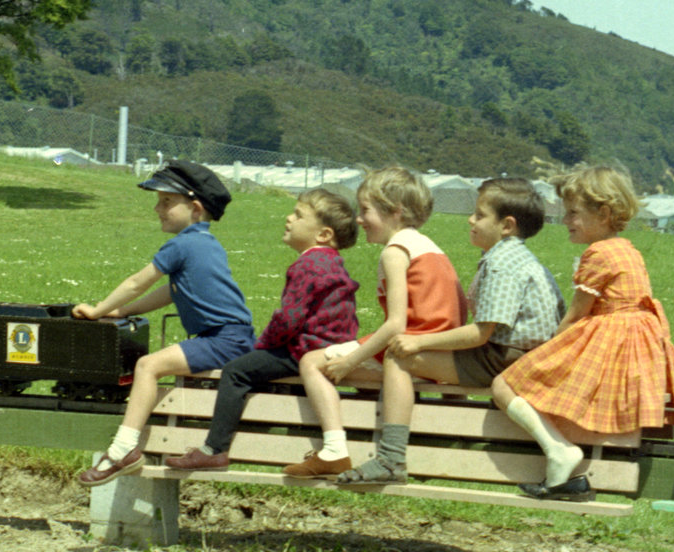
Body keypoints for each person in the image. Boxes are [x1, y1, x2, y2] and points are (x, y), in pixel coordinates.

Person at [492, 163, 674, 498]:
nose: (565, 220)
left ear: (603, 214)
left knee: (503, 385)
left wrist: (543, 354)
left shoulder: (598, 253)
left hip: (606, 343)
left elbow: (574, 318)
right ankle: (560, 467)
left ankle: (559, 450)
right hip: (633, 348)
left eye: (573, 213)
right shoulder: (627, 249)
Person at [71, 160, 254, 486]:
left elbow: (136, 283)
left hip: (222, 339)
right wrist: (122, 312)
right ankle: (124, 450)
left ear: (195, 209)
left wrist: (99, 310)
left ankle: (122, 451)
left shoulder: (182, 244)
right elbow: (171, 292)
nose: (158, 209)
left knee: (147, 366)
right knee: (151, 365)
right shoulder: (206, 243)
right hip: (232, 337)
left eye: (167, 202)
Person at [165, 189, 361, 475]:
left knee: (236, 371)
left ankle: (214, 450)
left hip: (304, 349)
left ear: (323, 234)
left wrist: (262, 345)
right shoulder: (332, 262)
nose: (289, 218)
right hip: (331, 347)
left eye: (299, 215)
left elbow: (288, 320)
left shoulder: (307, 264)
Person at [312, 166, 464, 487]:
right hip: (437, 351)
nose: (359, 219)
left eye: (365, 210)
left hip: (413, 348)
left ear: (395, 211)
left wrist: (350, 361)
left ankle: (334, 448)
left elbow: (396, 325)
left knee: (311, 363)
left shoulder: (396, 252)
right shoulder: (430, 247)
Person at [381, 175, 565, 435]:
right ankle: (450, 427)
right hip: (527, 356)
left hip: (506, 358)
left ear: (507, 226)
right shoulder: (520, 257)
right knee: (445, 350)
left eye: (479, 215)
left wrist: (418, 342)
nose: (470, 220)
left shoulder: (501, 264)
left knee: (399, 357)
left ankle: (391, 450)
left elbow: (480, 334)